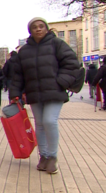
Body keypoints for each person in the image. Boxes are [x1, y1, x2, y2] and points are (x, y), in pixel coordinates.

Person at [10, 17, 79, 175]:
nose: (38, 29)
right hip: (35, 93)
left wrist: (61, 82)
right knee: (40, 124)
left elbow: (72, 64)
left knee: (49, 120)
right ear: (30, 31)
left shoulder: (57, 44)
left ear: (47, 29)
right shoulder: (25, 51)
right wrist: (15, 93)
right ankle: (44, 157)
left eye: (41, 26)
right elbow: (18, 75)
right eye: (34, 27)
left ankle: (53, 157)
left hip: (54, 92)